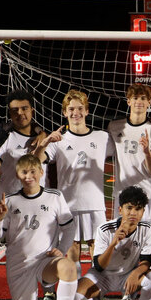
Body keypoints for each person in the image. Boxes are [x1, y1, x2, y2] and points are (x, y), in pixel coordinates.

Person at [0, 155, 79, 300]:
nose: (28, 176)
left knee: (68, 268)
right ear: (17, 175)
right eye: (24, 172)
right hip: (18, 265)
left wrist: (61, 250)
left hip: (44, 260)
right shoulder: (10, 201)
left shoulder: (55, 197)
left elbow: (69, 226)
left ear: (41, 172)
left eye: (32, 171)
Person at [33, 89, 114, 262]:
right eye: (71, 109)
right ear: (64, 112)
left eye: (79, 108)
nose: (75, 113)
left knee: (97, 246)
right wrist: (44, 143)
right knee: (72, 249)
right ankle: (73, 287)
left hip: (95, 203)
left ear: (87, 110)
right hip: (69, 203)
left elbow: (122, 154)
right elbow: (37, 160)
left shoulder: (102, 137)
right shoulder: (58, 141)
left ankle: (95, 286)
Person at [72, 186, 151, 300]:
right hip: (103, 276)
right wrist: (113, 243)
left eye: (138, 209)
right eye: (129, 208)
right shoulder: (105, 229)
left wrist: (135, 273)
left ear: (143, 211)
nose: (133, 213)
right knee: (75, 295)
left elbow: (146, 261)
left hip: (127, 274)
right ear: (120, 210)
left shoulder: (146, 228)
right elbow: (99, 265)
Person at [107, 84, 151, 271]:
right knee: (123, 241)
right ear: (128, 101)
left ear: (149, 103)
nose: (139, 102)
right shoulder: (115, 126)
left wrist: (147, 151)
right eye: (135, 98)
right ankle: (124, 286)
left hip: (148, 192)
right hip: (122, 193)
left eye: (143, 99)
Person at [0, 89, 47, 199]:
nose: (20, 113)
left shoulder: (45, 139)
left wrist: (42, 133)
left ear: (32, 111)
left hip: (40, 202)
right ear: (10, 113)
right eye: (15, 110)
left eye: (24, 108)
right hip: (12, 203)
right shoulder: (5, 138)